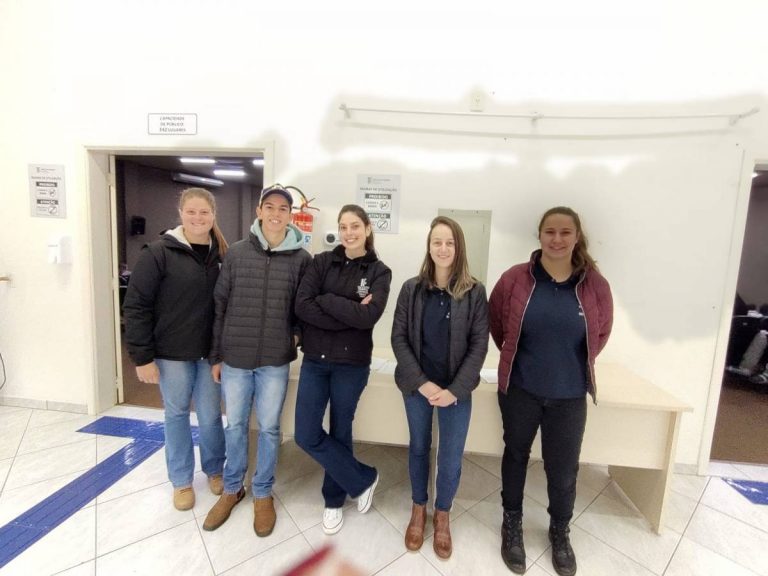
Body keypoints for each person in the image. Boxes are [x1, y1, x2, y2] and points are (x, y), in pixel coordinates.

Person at [489, 206, 613, 576]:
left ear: (577, 237)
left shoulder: (595, 285)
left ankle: (560, 531)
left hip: (569, 395)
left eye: (565, 232)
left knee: (563, 470)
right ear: (539, 235)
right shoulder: (515, 279)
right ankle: (512, 525)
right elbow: (497, 324)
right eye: (550, 232)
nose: (557, 239)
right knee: (515, 455)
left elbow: (601, 332)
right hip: (520, 389)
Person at [203, 184, 312, 536]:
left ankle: (263, 492)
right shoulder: (236, 253)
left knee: (268, 428)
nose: (276, 214)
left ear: (290, 215)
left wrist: (295, 336)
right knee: (235, 425)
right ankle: (233, 488)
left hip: (274, 361)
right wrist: (216, 355)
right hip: (235, 358)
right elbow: (219, 306)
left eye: (283, 208)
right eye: (270, 207)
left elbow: (304, 308)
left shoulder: (302, 259)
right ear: (259, 211)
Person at [123, 187, 228, 511]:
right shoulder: (158, 253)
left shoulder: (223, 255)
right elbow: (137, 306)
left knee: (211, 416)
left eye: (204, 212)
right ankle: (181, 481)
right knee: (177, 415)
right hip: (171, 355)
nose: (198, 218)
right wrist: (142, 357)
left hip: (209, 354)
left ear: (213, 215)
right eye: (191, 211)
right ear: (181, 214)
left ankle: (215, 470)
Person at [391, 216, 489, 559]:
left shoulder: (475, 292)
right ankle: (419, 508)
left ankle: (443, 514)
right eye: (437, 242)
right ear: (429, 247)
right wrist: (421, 383)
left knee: (450, 456)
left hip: (455, 391)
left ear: (458, 247)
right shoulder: (411, 289)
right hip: (416, 386)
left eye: (450, 242)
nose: (443, 248)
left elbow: (479, 345)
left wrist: (454, 390)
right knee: (419, 448)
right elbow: (399, 339)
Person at [294, 204, 392, 535]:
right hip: (315, 361)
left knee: (340, 430)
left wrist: (327, 300)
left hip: (352, 364)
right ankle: (364, 478)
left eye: (355, 226)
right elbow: (302, 305)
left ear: (367, 229)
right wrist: (349, 314)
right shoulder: (321, 262)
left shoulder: (379, 272)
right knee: (306, 434)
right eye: (343, 226)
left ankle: (333, 501)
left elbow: (369, 317)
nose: (349, 233)